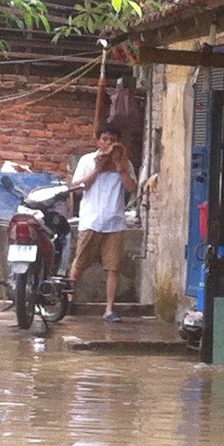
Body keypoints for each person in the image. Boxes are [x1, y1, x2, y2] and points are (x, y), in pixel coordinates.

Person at [69, 122, 137, 322]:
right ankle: (69, 299)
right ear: (98, 141)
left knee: (113, 267)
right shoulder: (87, 160)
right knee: (80, 263)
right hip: (91, 220)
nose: (108, 143)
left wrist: (120, 167)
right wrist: (97, 169)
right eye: (105, 139)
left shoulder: (125, 163)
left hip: (115, 221)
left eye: (113, 140)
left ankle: (109, 309)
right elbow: (78, 188)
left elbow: (131, 188)